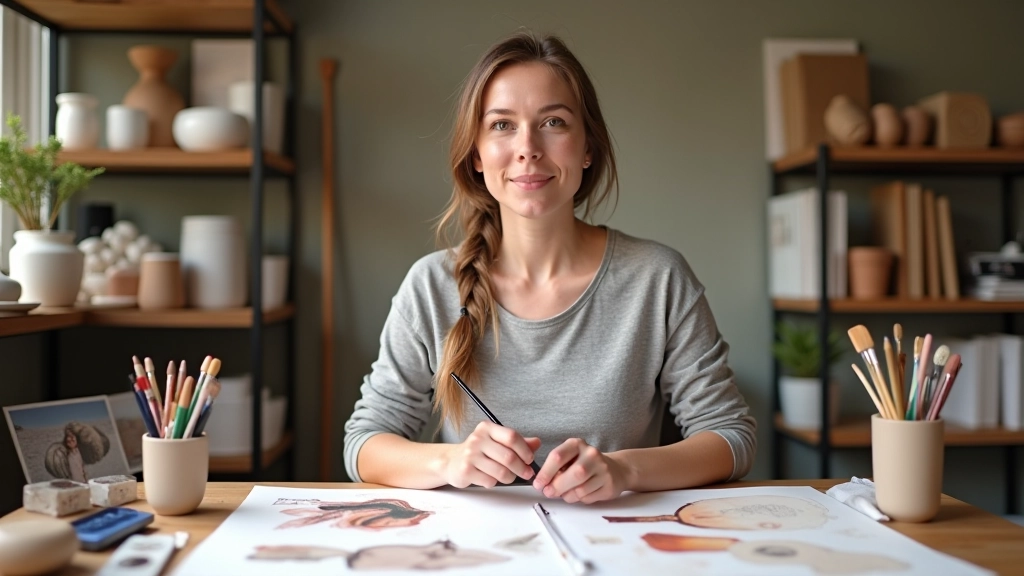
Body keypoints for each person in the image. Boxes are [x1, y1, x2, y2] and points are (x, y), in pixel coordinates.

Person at [343, 31, 755, 504]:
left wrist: (624, 470)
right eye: (502, 125)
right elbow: (364, 443)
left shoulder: (658, 278)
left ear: (587, 148)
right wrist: (450, 462)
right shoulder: (430, 285)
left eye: (553, 122)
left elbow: (731, 436)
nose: (528, 147)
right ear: (477, 154)